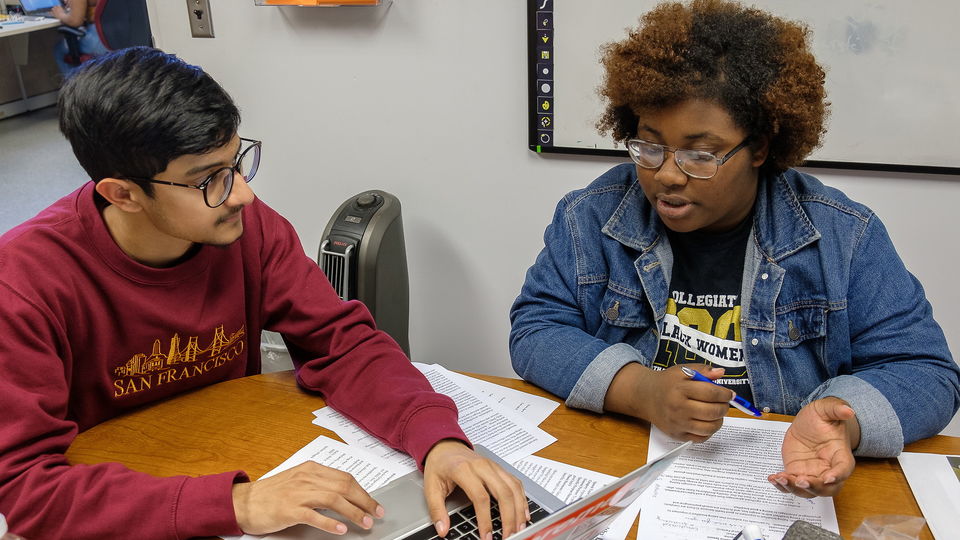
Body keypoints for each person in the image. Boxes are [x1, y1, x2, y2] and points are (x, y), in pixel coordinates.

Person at [0, 47, 527, 539]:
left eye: (236, 162)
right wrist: (239, 505)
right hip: (126, 508)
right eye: (208, 179)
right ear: (123, 194)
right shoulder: (23, 281)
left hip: (229, 457)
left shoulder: (247, 228)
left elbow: (343, 343)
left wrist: (437, 438)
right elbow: (28, 487)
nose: (243, 194)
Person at [510, 0, 960, 499]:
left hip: (777, 486)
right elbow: (536, 328)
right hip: (629, 470)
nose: (667, 175)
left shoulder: (843, 235)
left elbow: (926, 373)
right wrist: (640, 391)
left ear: (761, 148)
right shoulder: (590, 216)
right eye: (649, 146)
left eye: (700, 155)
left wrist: (843, 422)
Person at [51, 0, 108, 76]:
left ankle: (73, 86)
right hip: (123, 38)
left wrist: (60, 14)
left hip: (100, 40)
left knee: (58, 50)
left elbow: (75, 21)